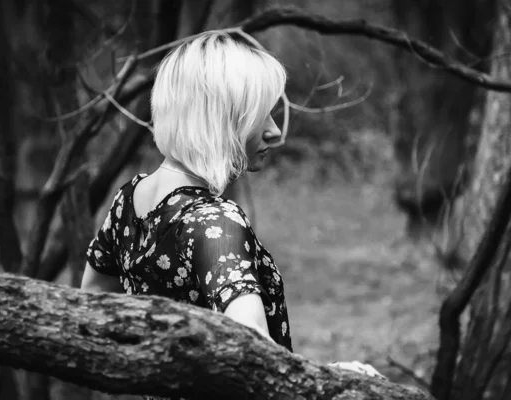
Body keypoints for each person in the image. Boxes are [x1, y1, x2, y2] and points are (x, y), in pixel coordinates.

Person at [80, 30, 382, 398]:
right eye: (259, 115)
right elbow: (255, 351)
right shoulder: (215, 222)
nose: (274, 131)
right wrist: (333, 383)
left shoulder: (129, 201)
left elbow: (93, 300)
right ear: (218, 118)